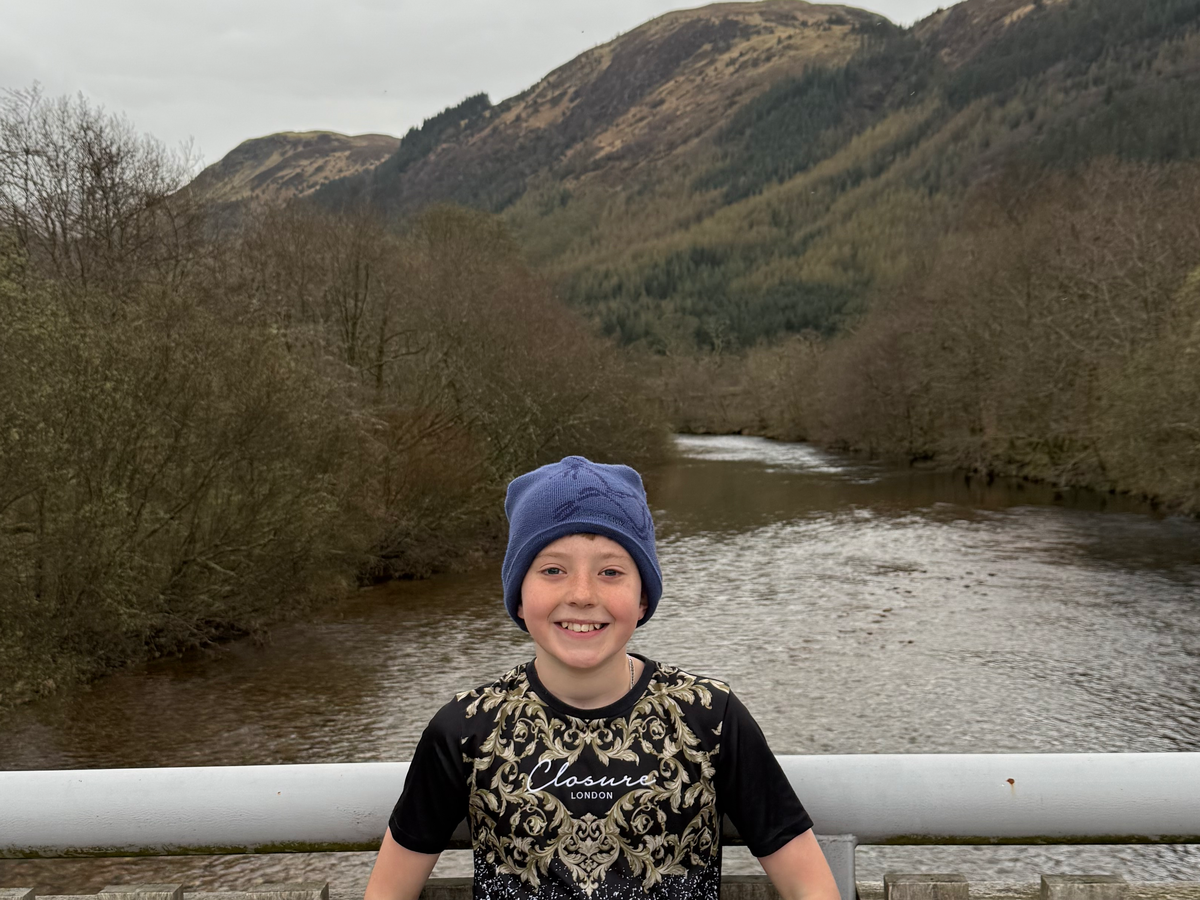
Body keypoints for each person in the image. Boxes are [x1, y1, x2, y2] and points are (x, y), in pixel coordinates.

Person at [364, 456, 839, 900]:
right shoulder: (466, 728)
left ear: (642, 598)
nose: (582, 594)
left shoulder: (710, 717)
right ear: (519, 597)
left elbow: (810, 885)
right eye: (553, 570)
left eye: (611, 572)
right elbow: (388, 892)